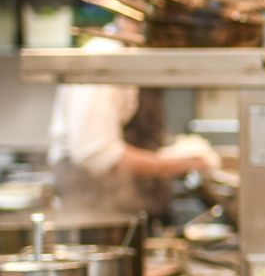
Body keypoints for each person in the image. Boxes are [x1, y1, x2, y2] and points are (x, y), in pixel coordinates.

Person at [47, 33, 205, 215]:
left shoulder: (138, 58)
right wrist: (172, 164)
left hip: (136, 211)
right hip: (99, 216)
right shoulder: (105, 58)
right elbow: (97, 154)